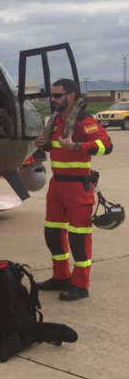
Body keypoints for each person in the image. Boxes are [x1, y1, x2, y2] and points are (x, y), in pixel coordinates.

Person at [33, 78, 113, 300]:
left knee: (79, 237)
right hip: (57, 185)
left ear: (72, 96)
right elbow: (57, 146)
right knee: (53, 233)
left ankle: (80, 284)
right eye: (52, 95)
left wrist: (77, 145)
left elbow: (105, 146)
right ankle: (61, 277)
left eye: (57, 95)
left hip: (78, 185)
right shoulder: (57, 120)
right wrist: (45, 144)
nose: (52, 99)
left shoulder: (83, 120)